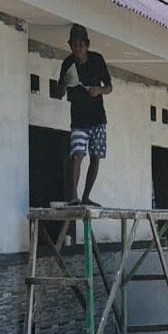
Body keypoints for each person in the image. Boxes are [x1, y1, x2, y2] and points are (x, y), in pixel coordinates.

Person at [58, 24, 112, 206]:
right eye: (74, 45)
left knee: (96, 156)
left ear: (87, 45)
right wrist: (64, 85)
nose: (78, 49)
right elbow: (59, 93)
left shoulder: (97, 60)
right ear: (70, 46)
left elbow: (109, 87)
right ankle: (74, 196)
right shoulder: (67, 64)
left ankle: (86, 195)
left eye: (81, 45)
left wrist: (99, 90)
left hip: (98, 118)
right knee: (77, 155)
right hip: (78, 119)